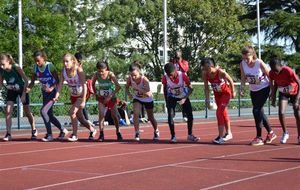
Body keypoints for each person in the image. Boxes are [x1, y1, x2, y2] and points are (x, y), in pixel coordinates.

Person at [27, 50, 68, 142]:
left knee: (43, 111)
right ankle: (63, 130)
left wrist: (52, 88)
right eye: (35, 61)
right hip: (45, 93)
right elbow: (33, 81)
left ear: (43, 58)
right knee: (49, 115)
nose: (37, 62)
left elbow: (58, 81)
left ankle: (49, 135)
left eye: (38, 60)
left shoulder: (50, 66)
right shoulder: (35, 68)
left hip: (53, 93)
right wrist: (28, 88)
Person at [54, 53, 97, 142]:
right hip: (73, 95)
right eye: (64, 62)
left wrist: (84, 100)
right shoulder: (63, 71)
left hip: (82, 95)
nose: (65, 64)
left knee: (72, 112)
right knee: (81, 118)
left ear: (73, 61)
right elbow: (60, 84)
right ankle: (92, 130)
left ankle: (74, 135)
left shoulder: (79, 70)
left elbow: (84, 86)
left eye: (67, 61)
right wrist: (56, 96)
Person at [240, 46, 277, 146]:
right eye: (244, 58)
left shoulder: (259, 63)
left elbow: (271, 77)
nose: (245, 60)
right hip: (253, 90)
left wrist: (272, 92)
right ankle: (271, 133)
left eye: (247, 58)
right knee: (259, 111)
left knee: (256, 110)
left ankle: (259, 137)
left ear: (253, 55)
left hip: (264, 88)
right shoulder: (242, 64)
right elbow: (243, 77)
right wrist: (242, 88)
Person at [0, 53, 37, 141]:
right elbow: (0, 83)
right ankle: (8, 134)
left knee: (27, 112)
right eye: (0, 64)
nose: (1, 66)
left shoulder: (15, 67)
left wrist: (24, 94)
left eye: (3, 64)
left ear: (8, 61)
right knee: (8, 111)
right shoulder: (1, 70)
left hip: (22, 89)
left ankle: (34, 129)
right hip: (12, 90)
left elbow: (26, 81)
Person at [162, 63, 199, 143]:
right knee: (170, 115)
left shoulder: (183, 76)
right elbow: (165, 89)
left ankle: (190, 134)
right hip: (172, 97)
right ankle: (173, 136)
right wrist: (166, 101)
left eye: (171, 74)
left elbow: (191, 89)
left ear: (175, 71)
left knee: (190, 115)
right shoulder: (165, 78)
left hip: (183, 96)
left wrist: (184, 98)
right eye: (168, 75)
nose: (170, 77)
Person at [201, 58, 235, 144]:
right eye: (203, 68)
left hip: (225, 94)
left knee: (219, 112)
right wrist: (207, 99)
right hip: (217, 95)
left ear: (210, 66)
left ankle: (220, 137)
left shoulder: (220, 72)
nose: (204, 70)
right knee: (224, 113)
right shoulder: (205, 74)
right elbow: (206, 88)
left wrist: (233, 92)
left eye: (205, 68)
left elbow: (231, 80)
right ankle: (229, 133)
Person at [125, 62, 160, 141]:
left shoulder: (144, 79)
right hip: (137, 98)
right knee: (136, 113)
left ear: (139, 72)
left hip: (147, 99)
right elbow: (126, 87)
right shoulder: (130, 78)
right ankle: (137, 132)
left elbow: (148, 93)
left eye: (135, 75)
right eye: (132, 75)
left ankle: (156, 130)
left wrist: (138, 88)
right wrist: (129, 94)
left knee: (151, 117)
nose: (133, 77)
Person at [269, 57, 300, 144]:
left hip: (295, 92)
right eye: (272, 69)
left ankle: (299, 135)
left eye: (275, 69)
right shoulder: (272, 73)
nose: (274, 71)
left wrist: (297, 100)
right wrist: (273, 97)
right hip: (283, 93)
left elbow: (299, 83)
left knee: (297, 113)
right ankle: (285, 133)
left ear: (280, 66)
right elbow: (275, 84)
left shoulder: (288, 70)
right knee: (281, 112)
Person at [92, 60, 123, 141]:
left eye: (102, 71)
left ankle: (118, 132)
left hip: (111, 98)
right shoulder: (96, 74)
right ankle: (101, 134)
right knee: (101, 115)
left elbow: (118, 87)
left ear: (106, 69)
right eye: (99, 71)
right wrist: (96, 93)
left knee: (114, 116)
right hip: (102, 97)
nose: (100, 73)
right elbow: (92, 84)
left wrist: (110, 96)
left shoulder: (110, 74)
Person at [171, 50, 189, 121]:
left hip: (183, 84)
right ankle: (172, 115)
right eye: (175, 55)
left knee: (184, 100)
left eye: (177, 55)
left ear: (180, 55)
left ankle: (185, 115)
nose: (176, 56)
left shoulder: (184, 62)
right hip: (174, 84)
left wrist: (179, 62)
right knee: (173, 100)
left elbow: (185, 69)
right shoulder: (172, 62)